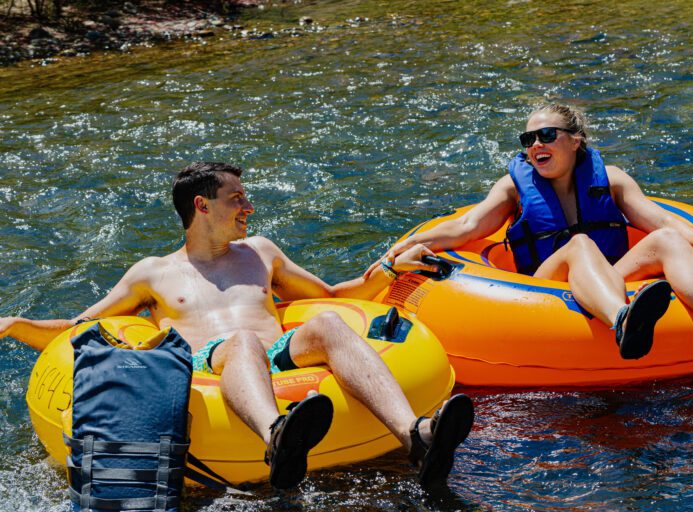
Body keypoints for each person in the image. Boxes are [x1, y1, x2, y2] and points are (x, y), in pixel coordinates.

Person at [0, 162, 474, 490]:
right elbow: (81, 330)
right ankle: (277, 437)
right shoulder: (151, 273)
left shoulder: (262, 252)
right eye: (237, 198)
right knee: (241, 340)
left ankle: (416, 434)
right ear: (202, 206)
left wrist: (391, 268)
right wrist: (16, 324)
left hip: (283, 355)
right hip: (212, 364)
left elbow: (332, 297)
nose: (248, 207)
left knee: (328, 323)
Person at [373, 103, 693, 371]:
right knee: (580, 244)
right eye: (528, 140)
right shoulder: (513, 188)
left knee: (666, 240)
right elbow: (466, 227)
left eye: (546, 135)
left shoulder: (611, 180)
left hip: (612, 276)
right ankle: (622, 321)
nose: (536, 146)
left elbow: (658, 218)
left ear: (575, 139)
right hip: (543, 288)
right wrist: (406, 246)